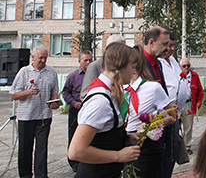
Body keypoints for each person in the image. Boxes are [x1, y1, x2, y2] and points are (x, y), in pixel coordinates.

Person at [68, 42, 141, 178]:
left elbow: (102, 134)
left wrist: (124, 138)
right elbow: (76, 151)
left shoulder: (111, 92)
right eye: (132, 67)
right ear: (120, 66)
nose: (133, 72)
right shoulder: (100, 101)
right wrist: (118, 156)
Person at [126, 46, 177, 178]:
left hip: (145, 146)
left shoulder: (152, 87)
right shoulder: (121, 88)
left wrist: (153, 124)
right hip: (123, 142)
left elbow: (172, 116)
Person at [11, 45, 60, 178]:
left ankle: (41, 175)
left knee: (42, 148)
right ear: (33, 57)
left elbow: (55, 92)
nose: (43, 61)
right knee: (25, 148)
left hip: (44, 116)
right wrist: (28, 92)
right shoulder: (24, 72)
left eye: (45, 58)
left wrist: (54, 102)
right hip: (26, 116)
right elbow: (14, 95)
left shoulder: (51, 71)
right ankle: (25, 174)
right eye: (40, 58)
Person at [159, 34, 187, 178]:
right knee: (165, 153)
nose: (171, 49)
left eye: (173, 46)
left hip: (176, 115)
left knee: (172, 153)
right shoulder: (158, 62)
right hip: (164, 116)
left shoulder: (173, 61)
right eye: (169, 45)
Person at [62, 51, 93, 171]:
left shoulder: (94, 75)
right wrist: (74, 103)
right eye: (85, 60)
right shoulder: (73, 76)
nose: (88, 62)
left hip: (89, 110)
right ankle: (74, 162)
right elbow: (65, 92)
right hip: (76, 109)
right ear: (79, 61)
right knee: (74, 134)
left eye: (90, 60)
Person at [179, 57, 203, 155]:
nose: (186, 67)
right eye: (184, 66)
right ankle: (176, 146)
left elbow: (200, 91)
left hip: (189, 103)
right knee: (176, 126)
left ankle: (186, 146)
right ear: (180, 66)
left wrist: (199, 101)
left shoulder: (194, 76)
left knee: (188, 126)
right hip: (178, 103)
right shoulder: (177, 76)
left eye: (188, 65)